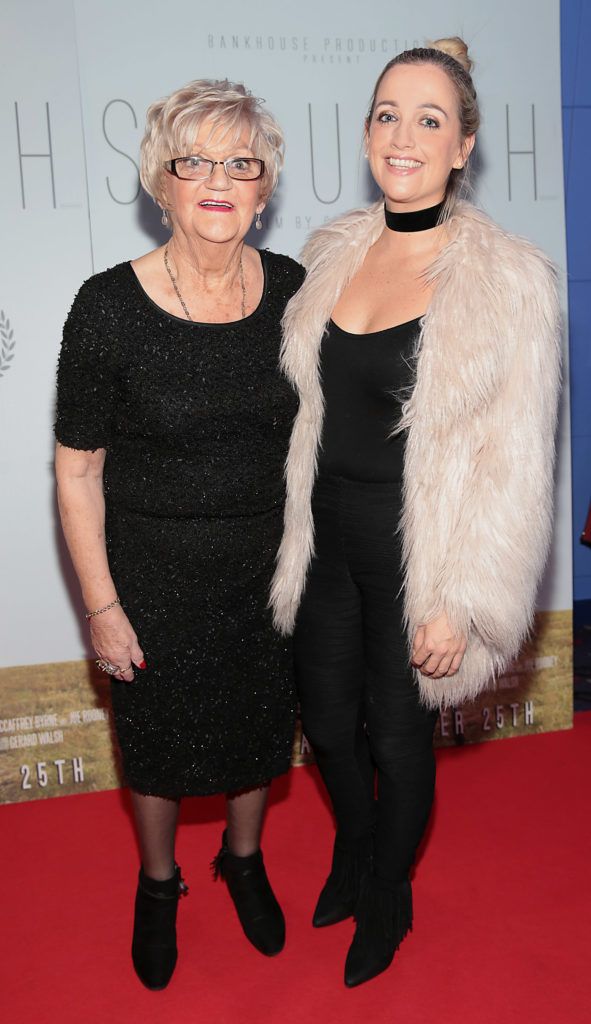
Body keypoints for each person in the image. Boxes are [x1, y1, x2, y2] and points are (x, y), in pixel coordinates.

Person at [270, 38, 560, 987]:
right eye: (387, 114)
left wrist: (462, 599)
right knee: (324, 717)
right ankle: (357, 846)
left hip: (418, 553)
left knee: (397, 734)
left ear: (463, 144)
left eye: (429, 119)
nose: (404, 136)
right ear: (366, 134)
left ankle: (387, 891)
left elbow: (514, 463)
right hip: (322, 539)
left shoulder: (508, 280)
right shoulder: (330, 253)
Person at [55, 79, 304, 990]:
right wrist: (103, 606)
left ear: (263, 187)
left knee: (256, 734)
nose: (217, 180)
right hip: (151, 576)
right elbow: (78, 468)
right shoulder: (105, 307)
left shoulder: (292, 290)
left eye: (240, 163)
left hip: (266, 571)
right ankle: (158, 884)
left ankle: (243, 861)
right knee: (157, 746)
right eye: (193, 160)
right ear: (159, 182)